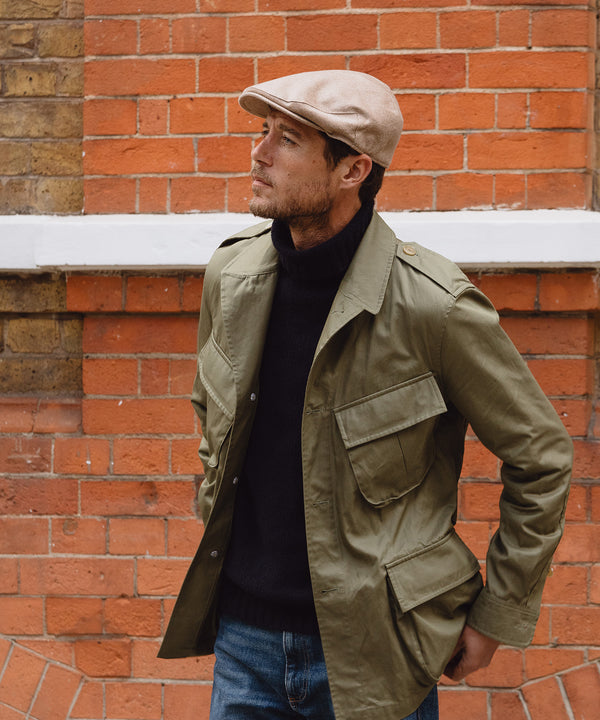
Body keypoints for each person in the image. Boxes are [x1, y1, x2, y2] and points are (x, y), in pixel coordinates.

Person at [159, 70, 573, 720]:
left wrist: (498, 613)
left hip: (377, 649)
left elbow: (541, 457)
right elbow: (212, 411)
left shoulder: (435, 306)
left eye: (287, 140)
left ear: (353, 170)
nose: (258, 153)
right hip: (244, 641)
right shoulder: (231, 275)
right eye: (263, 131)